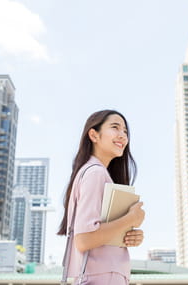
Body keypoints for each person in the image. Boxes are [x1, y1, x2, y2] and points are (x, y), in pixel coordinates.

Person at [58, 109, 145, 285]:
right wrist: (131, 218)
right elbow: (84, 239)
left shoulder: (95, 173)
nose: (123, 136)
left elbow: (97, 234)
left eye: (125, 132)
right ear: (94, 135)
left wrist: (128, 236)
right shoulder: (95, 173)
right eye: (115, 127)